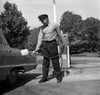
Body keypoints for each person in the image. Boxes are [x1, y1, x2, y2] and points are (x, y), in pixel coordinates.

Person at [32, 14, 65, 83]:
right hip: (45, 45)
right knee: (45, 62)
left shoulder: (55, 25)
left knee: (55, 61)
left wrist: (63, 43)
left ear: (47, 18)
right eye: (41, 21)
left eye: (43, 20)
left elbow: (60, 35)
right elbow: (40, 38)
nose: (43, 22)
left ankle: (59, 77)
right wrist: (37, 48)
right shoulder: (41, 28)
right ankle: (44, 77)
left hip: (52, 44)